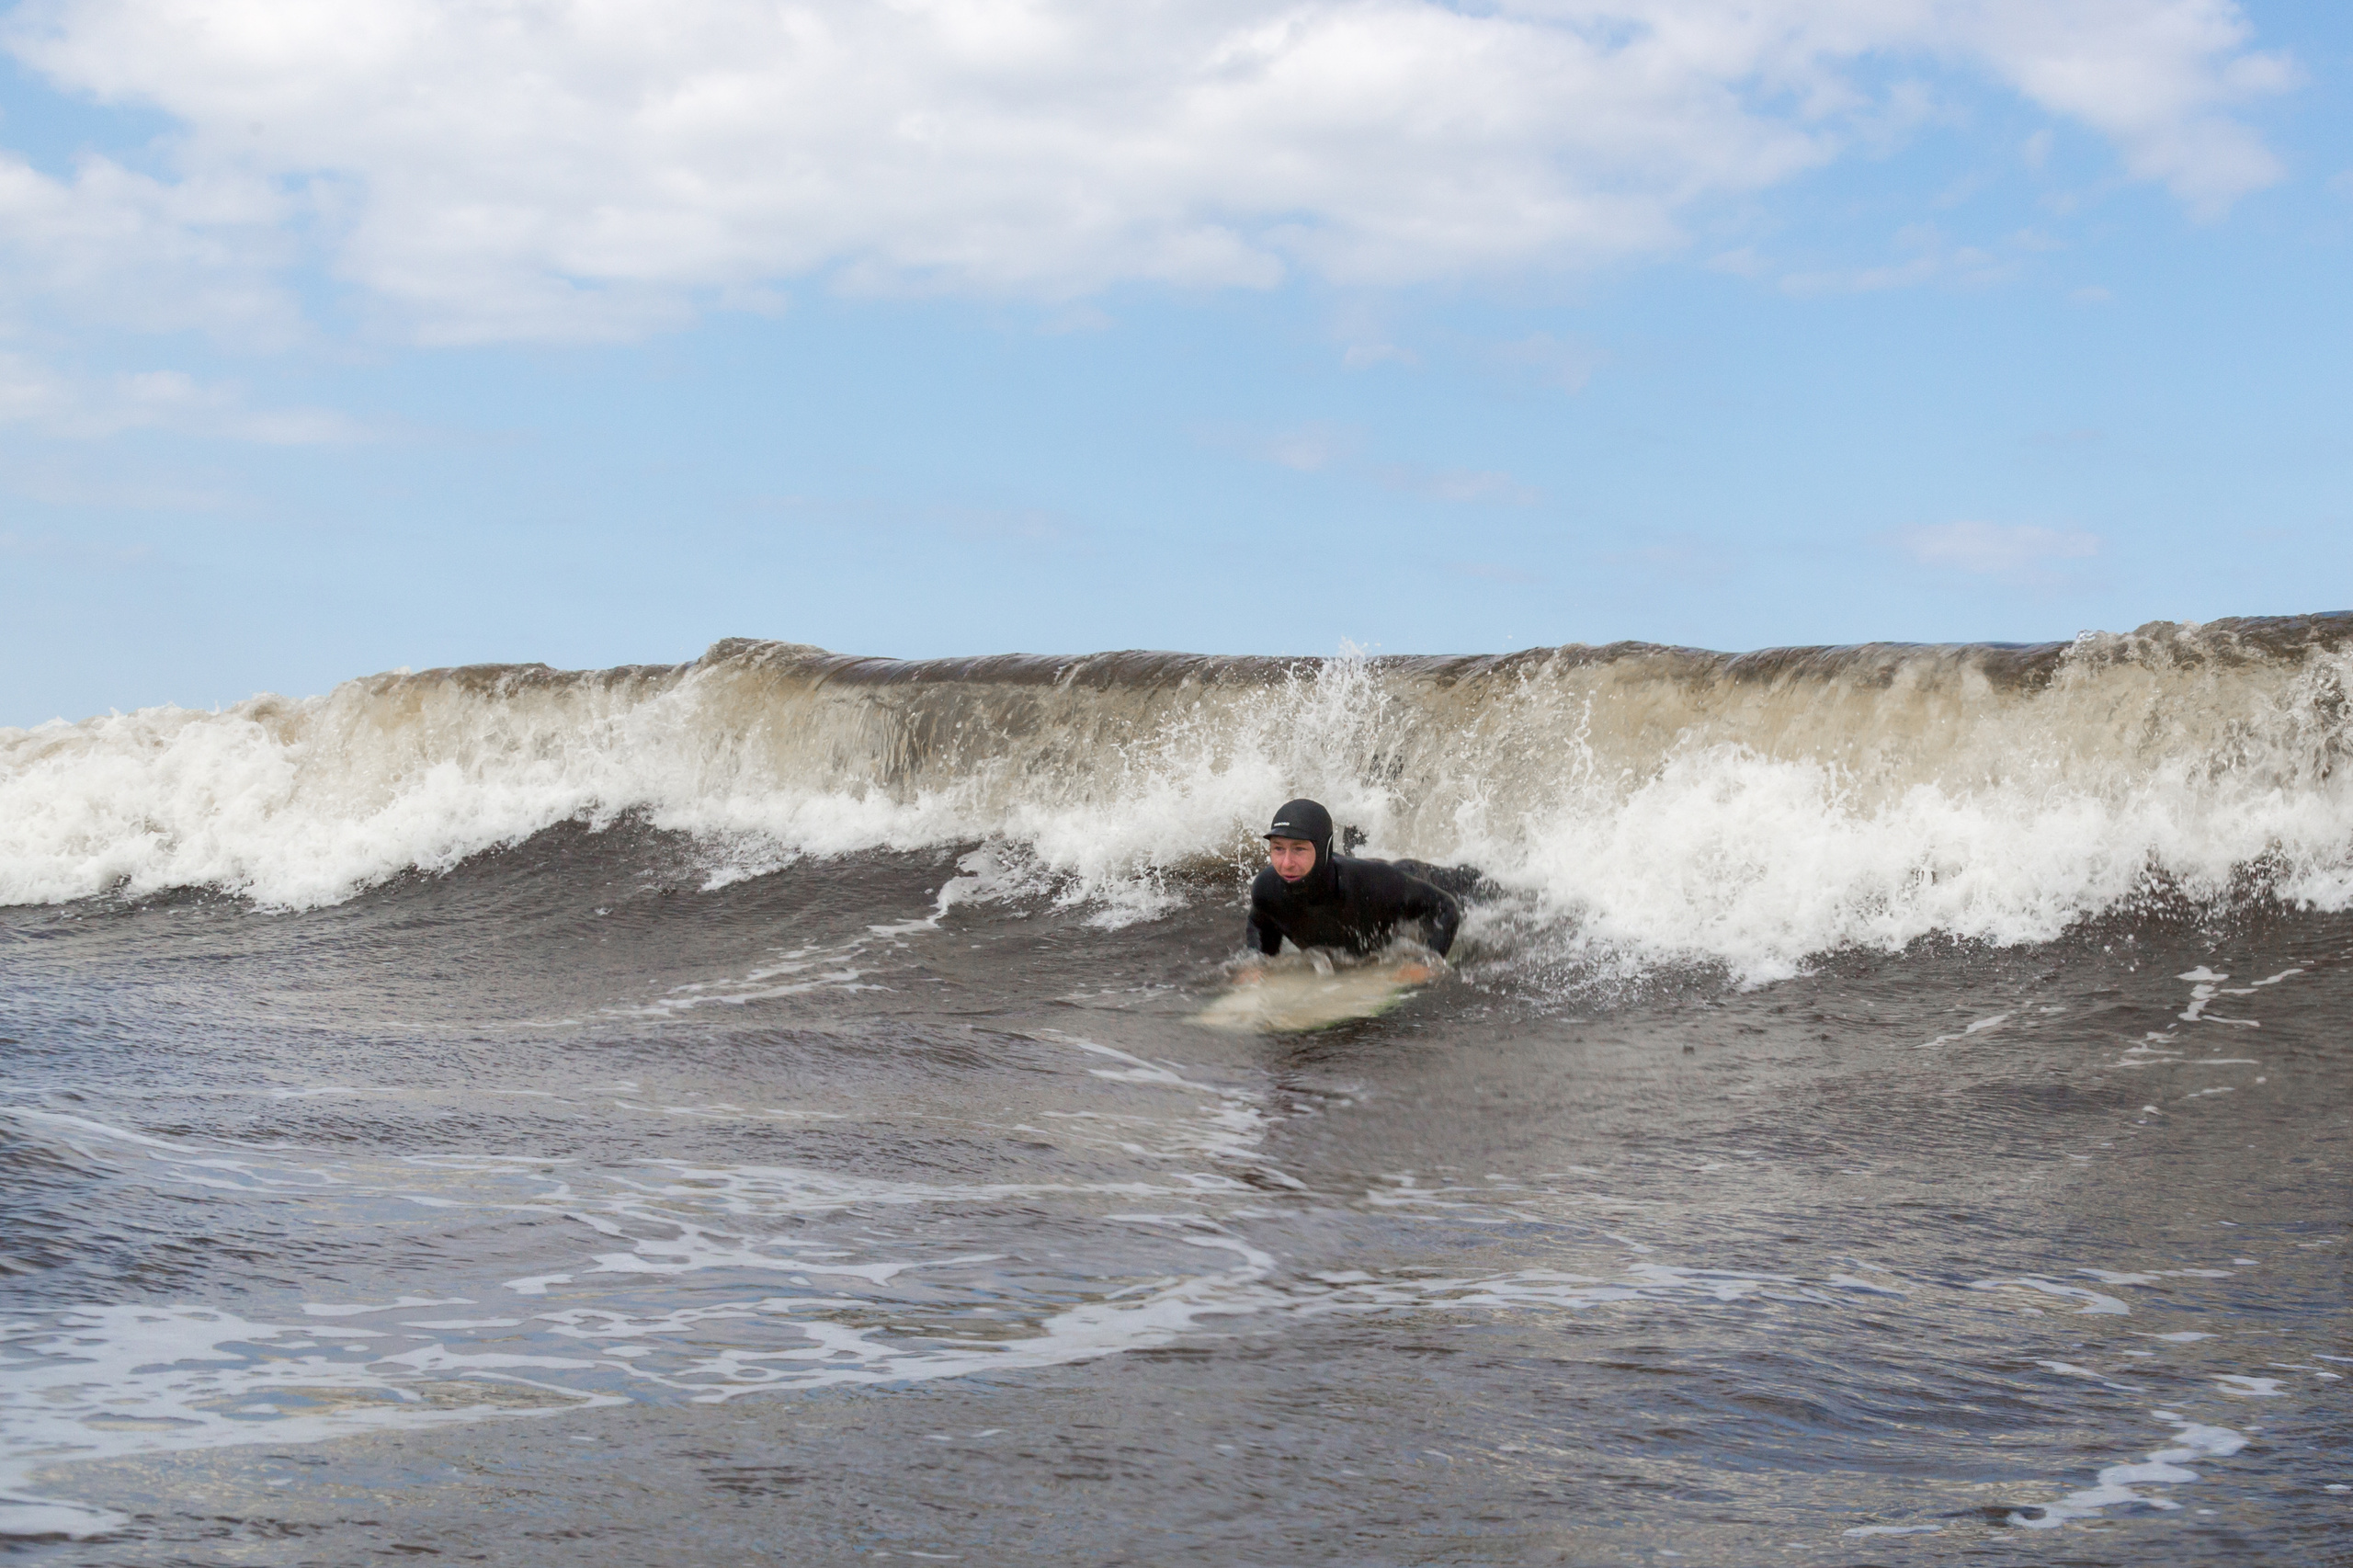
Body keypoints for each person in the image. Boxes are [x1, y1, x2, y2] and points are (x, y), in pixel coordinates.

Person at [1243, 798, 1461, 961]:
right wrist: (1257, 962)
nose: (1286, 863)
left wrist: (1427, 963)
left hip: (1414, 875)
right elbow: (1260, 922)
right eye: (1278, 849)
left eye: (1299, 849)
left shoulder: (1374, 884)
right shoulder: (1266, 888)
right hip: (1364, 875)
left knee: (1479, 885)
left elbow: (1446, 907)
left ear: (1324, 850)